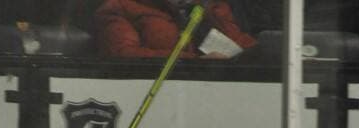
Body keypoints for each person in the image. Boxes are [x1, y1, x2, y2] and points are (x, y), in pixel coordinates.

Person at [95, 0, 256, 60]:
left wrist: (209, 9)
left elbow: (241, 45)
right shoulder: (120, 7)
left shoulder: (207, 6)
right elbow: (123, 54)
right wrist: (194, 61)